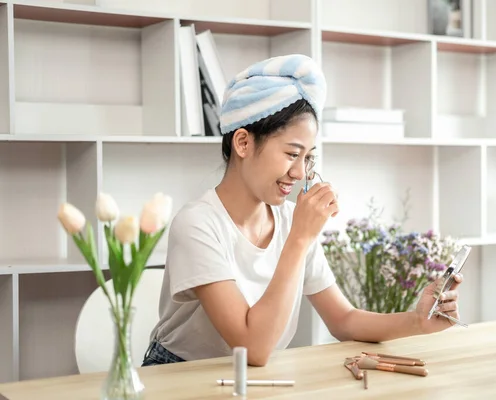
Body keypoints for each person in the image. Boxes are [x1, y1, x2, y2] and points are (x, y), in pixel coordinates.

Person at [141, 54, 463, 367]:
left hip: (253, 379)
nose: (300, 174)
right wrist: (299, 238)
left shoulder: (289, 221)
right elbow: (252, 348)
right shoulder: (197, 224)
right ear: (242, 143)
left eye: (308, 158)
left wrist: (417, 320)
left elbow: (344, 320)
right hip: (181, 374)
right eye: (292, 154)